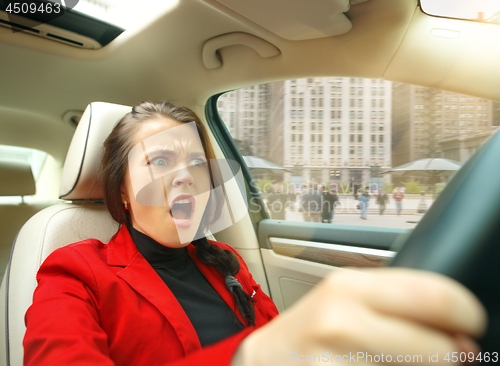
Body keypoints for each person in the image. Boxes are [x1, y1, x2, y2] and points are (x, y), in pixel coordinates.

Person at [24, 102, 486, 366]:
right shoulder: (76, 270)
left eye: (196, 164)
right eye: (159, 162)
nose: (185, 177)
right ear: (123, 191)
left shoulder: (224, 259)